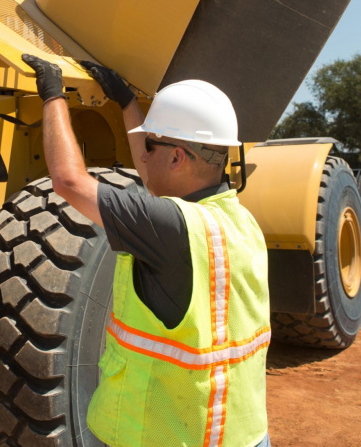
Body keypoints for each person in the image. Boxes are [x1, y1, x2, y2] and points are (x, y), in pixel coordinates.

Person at [22, 54, 271, 447]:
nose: (141, 154)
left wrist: (53, 95)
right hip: (240, 435)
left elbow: (69, 181)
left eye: (151, 145)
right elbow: (152, 168)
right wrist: (127, 104)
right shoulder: (241, 223)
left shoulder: (169, 227)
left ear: (178, 157)